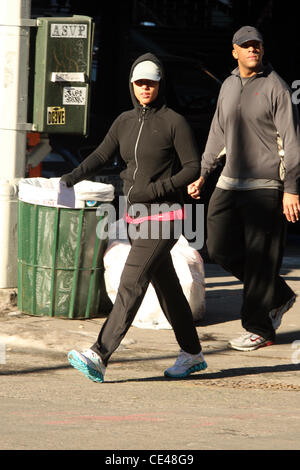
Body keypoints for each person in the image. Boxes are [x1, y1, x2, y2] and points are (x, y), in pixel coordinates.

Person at [61, 53, 207, 382]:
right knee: (169, 288)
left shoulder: (174, 122)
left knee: (131, 282)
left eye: (151, 83)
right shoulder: (124, 122)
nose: (145, 88)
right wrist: (71, 176)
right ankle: (193, 354)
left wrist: (157, 190)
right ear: (132, 84)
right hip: (137, 217)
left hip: (166, 215)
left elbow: (192, 168)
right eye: (140, 82)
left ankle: (99, 354)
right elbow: (101, 153)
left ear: (160, 85)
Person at [188, 26, 300, 351]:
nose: (253, 50)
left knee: (261, 259)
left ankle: (259, 328)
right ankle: (277, 294)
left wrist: (291, 189)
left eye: (257, 46)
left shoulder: (275, 86)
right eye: (246, 46)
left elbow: (292, 143)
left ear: (262, 51)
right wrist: (203, 174)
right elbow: (217, 133)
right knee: (219, 247)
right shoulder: (228, 85)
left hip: (266, 184)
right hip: (229, 182)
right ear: (234, 51)